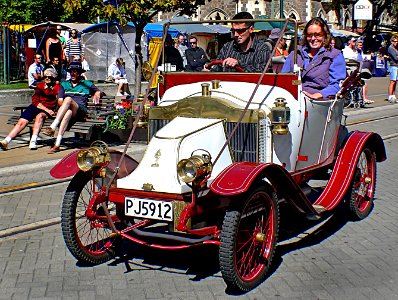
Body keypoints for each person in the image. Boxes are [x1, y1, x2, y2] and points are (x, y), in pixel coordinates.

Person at [42, 61, 101, 153]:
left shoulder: (86, 83)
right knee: (68, 111)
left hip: (80, 110)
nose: (72, 74)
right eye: (71, 72)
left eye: (75, 72)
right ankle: (57, 144)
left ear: (80, 73)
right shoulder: (64, 84)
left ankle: (53, 126)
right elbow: (60, 100)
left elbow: (98, 91)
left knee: (68, 99)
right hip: (69, 110)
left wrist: (97, 94)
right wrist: (66, 105)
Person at [281, 17, 346, 99]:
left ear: (325, 36)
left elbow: (337, 84)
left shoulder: (334, 55)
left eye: (317, 35)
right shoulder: (295, 54)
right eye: (309, 35)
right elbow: (283, 78)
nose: (313, 39)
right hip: (294, 98)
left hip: (319, 102)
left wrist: (318, 94)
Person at [0, 69, 60, 151]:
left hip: (48, 109)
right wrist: (45, 108)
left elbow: (59, 100)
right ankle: (6, 141)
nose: (47, 78)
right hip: (37, 106)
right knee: (22, 121)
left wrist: (52, 110)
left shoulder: (57, 87)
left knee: (40, 116)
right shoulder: (40, 86)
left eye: (49, 76)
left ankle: (33, 141)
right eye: (45, 76)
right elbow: (35, 100)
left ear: (54, 77)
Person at [204, 12, 271, 72]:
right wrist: (208, 72)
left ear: (251, 29)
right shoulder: (227, 47)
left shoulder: (262, 49)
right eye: (233, 31)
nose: (236, 35)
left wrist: (239, 64)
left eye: (240, 31)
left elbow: (262, 73)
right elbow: (217, 68)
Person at [356, 39, 374, 104]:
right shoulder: (356, 51)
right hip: (357, 69)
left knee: (364, 83)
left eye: (361, 45)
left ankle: (364, 98)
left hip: (360, 68)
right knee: (364, 84)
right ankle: (364, 98)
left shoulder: (360, 51)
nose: (361, 46)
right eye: (360, 45)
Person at [387, 36, 398, 103]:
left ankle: (393, 95)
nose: (396, 42)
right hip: (393, 66)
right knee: (392, 81)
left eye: (397, 41)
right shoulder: (391, 48)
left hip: (397, 66)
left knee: (395, 81)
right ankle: (390, 96)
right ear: (391, 42)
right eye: (394, 41)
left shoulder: (396, 48)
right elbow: (396, 58)